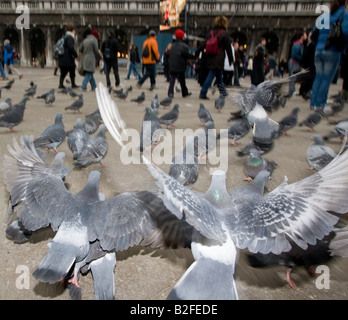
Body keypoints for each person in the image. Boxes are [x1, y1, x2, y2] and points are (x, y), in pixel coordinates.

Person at [310, 0, 348, 112]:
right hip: (332, 50)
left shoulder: (325, 15)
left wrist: (318, 44)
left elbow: (313, 33)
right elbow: (346, 33)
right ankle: (320, 104)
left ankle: (313, 103)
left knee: (318, 77)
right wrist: (344, 46)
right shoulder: (344, 15)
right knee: (326, 79)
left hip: (318, 50)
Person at [199, 15, 233, 99]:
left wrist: (196, 52)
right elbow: (228, 47)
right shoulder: (224, 34)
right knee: (212, 74)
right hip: (219, 57)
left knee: (218, 75)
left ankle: (223, 92)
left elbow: (204, 44)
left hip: (210, 57)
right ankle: (203, 92)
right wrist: (230, 59)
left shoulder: (210, 33)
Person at [167, 29, 194, 98]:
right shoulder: (184, 46)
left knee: (172, 79)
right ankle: (184, 92)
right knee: (182, 79)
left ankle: (170, 93)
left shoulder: (173, 45)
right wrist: (193, 55)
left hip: (172, 65)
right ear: (182, 37)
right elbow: (186, 55)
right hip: (180, 65)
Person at [287, 31, 307, 97]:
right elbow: (295, 55)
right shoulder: (297, 45)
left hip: (296, 62)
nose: (306, 36)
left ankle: (291, 91)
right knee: (293, 77)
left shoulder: (300, 45)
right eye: (305, 35)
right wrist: (302, 58)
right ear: (301, 36)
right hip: (294, 62)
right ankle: (292, 91)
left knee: (294, 77)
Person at [299, 30, 316, 100]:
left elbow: (305, 55)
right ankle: (305, 92)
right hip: (309, 65)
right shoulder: (310, 45)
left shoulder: (311, 45)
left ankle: (305, 92)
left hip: (309, 65)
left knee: (307, 79)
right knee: (308, 79)